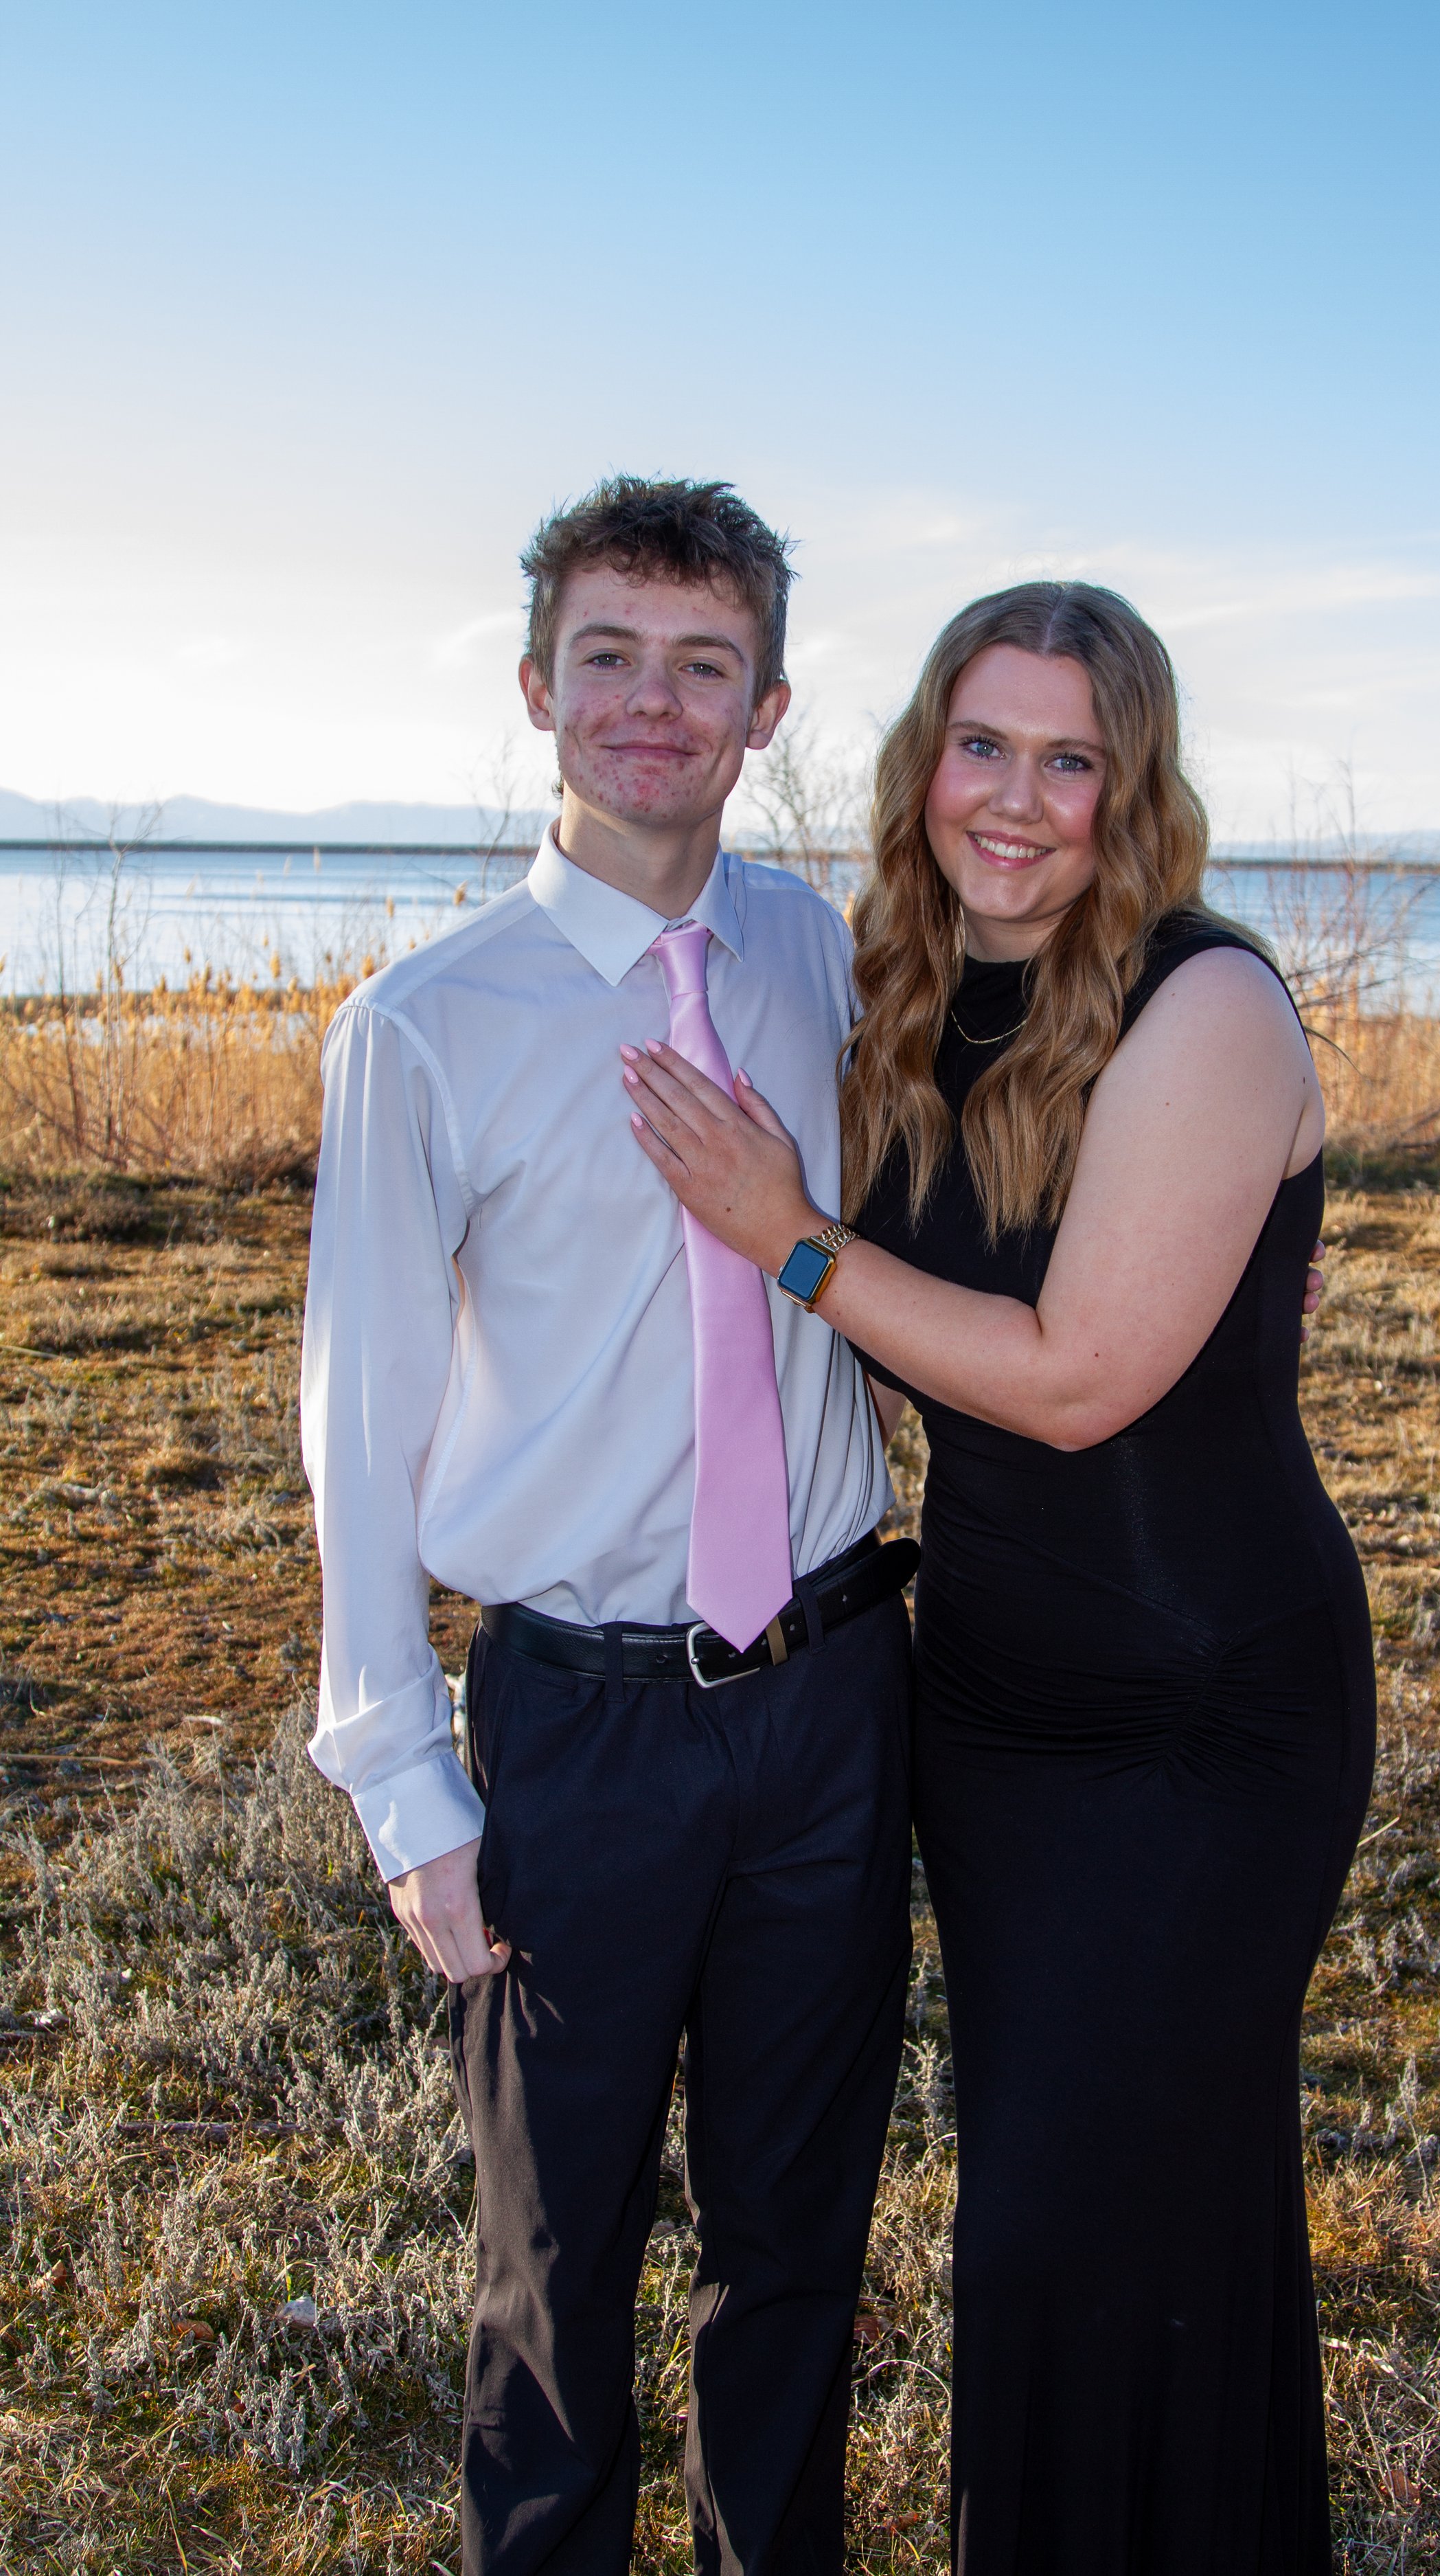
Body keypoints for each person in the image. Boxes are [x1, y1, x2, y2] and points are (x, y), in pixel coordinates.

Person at [621, 578, 1376, 2574]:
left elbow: (1072, 1383)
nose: (1019, 798)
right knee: (1118, 2195)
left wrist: (786, 1236)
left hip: (1207, 1712)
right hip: (1000, 1709)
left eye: (1069, 757)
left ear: (1130, 785)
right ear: (922, 762)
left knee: (1069, 2203)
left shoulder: (1203, 1004)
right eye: (984, 745)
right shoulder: (899, 989)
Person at [300, 476, 920, 2575]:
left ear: (762, 707)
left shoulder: (815, 954)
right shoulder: (425, 1024)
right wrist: (403, 1780)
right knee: (554, 2270)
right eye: (609, 658)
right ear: (536, 686)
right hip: (582, 1727)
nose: (652, 705)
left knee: (794, 2243)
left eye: (702, 665)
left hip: (833, 1693)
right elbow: (358, 1419)